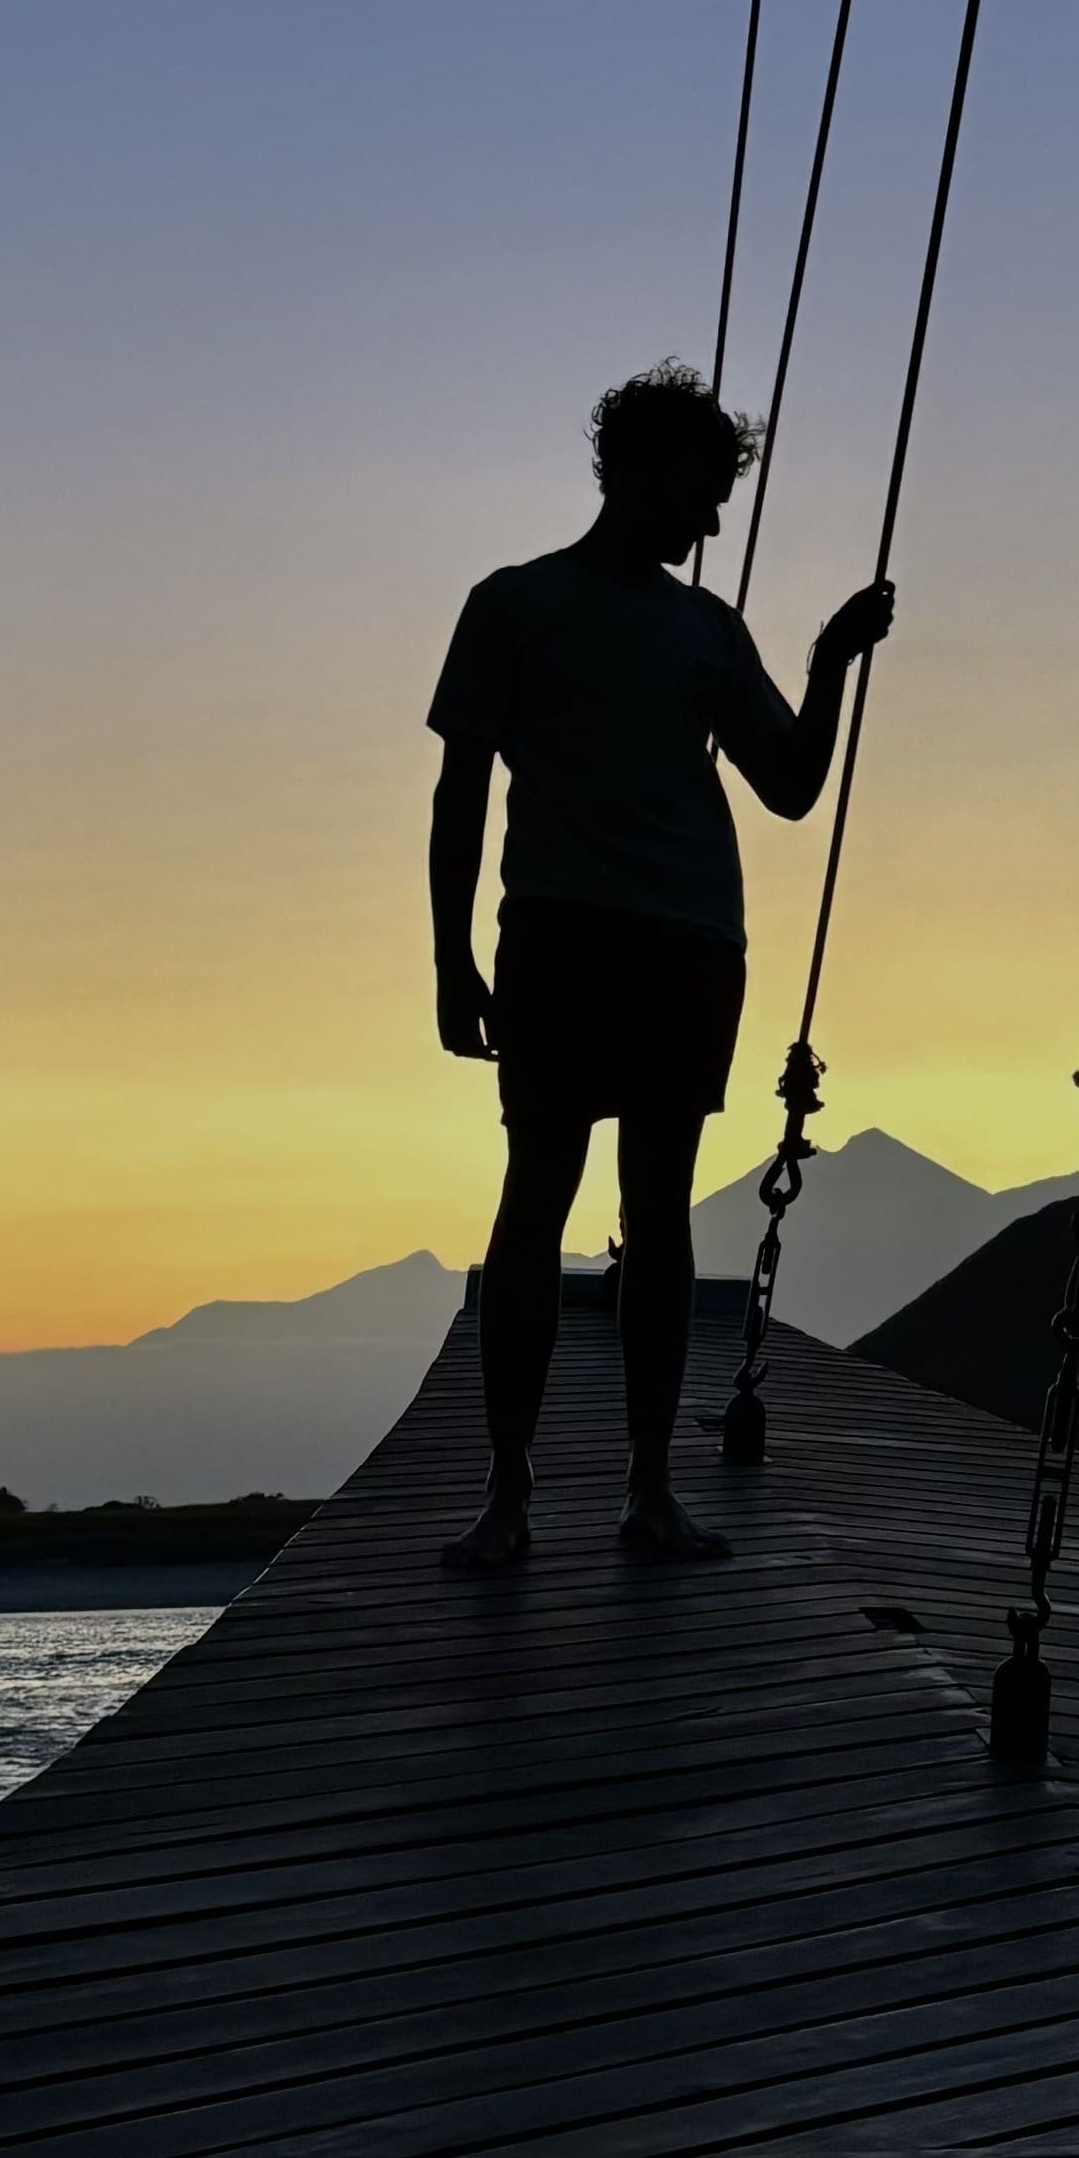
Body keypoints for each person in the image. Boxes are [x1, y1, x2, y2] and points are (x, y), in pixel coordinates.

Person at [427, 364, 894, 1570]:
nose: (714, 519)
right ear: (637, 470)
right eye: (704, 489)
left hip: (692, 940)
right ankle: (508, 1493)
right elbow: (460, 791)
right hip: (561, 932)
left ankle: (647, 1491)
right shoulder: (512, 603)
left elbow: (788, 786)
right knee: (536, 1200)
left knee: (659, 1210)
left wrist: (830, 665)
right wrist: (448, 959)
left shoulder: (708, 629)